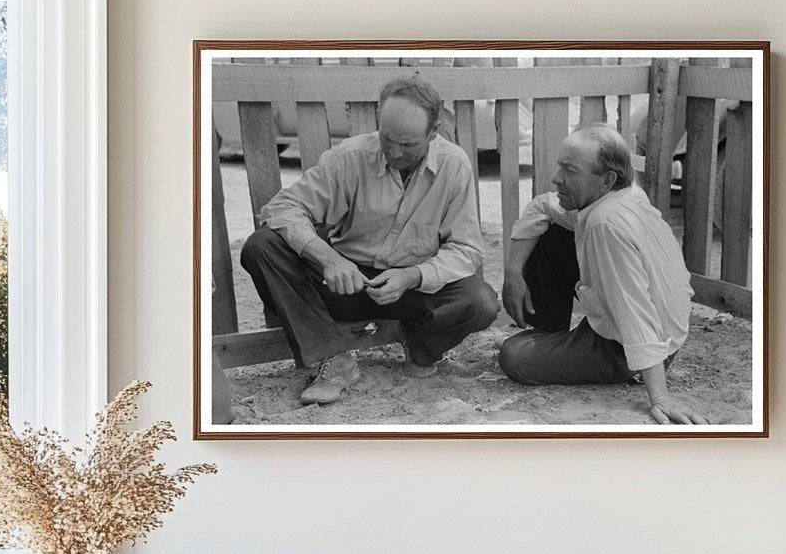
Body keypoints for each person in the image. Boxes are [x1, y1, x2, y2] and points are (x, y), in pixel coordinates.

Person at [241, 74, 499, 404]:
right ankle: (333, 360)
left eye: (407, 145)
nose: (393, 152)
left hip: (411, 287)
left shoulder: (453, 165)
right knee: (261, 247)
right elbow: (282, 208)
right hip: (344, 284)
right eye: (387, 138)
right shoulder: (349, 157)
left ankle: (420, 345)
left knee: (482, 303)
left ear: (432, 134)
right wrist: (329, 258)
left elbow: (465, 250)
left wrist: (412, 276)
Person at [499, 123, 707, 425]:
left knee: (513, 355)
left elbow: (634, 309)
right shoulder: (621, 192)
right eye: (560, 167)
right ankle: (550, 338)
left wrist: (659, 396)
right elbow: (542, 206)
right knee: (551, 233)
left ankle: (558, 350)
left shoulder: (605, 223)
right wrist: (513, 273)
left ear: (606, 179)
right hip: (630, 329)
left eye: (570, 171)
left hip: (636, 347)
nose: (557, 179)